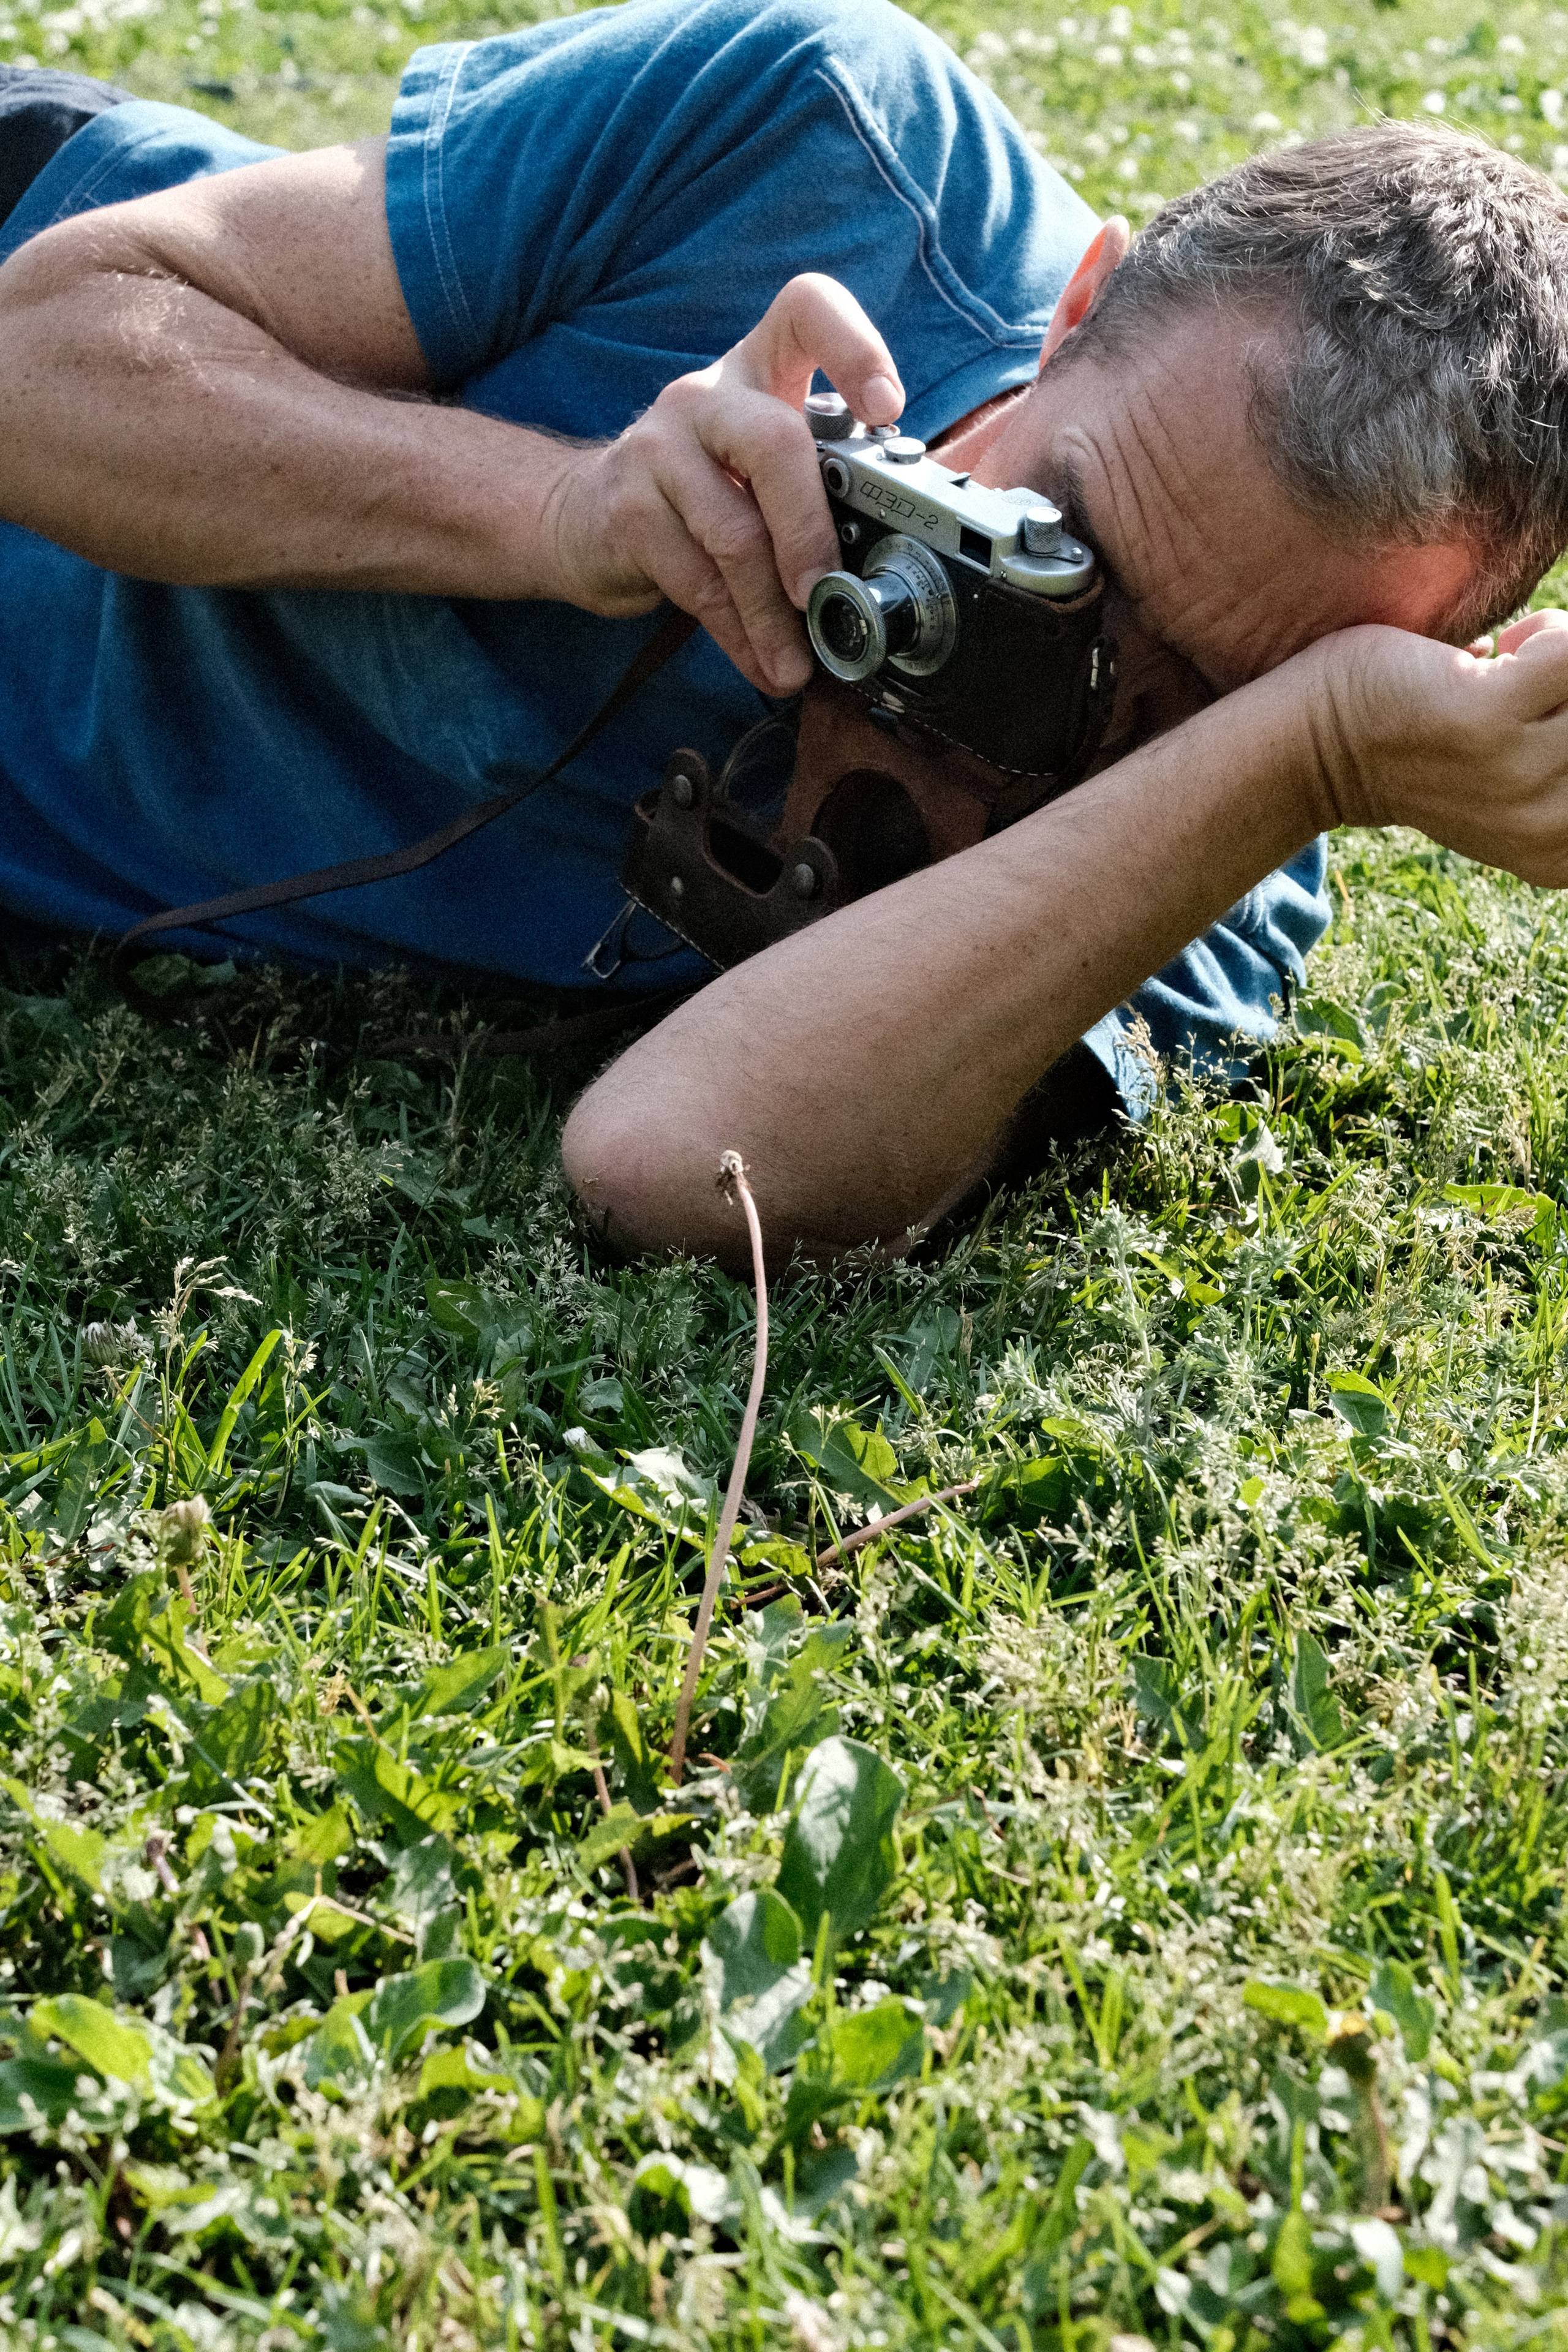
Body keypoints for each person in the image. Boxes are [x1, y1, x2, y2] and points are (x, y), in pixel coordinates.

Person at [2, 4, 1568, 1272]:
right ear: (1075, 305)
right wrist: (560, 515)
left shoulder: (1228, 845)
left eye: (1187, 697)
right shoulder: (828, 137)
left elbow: (673, 1164)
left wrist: (1292, 757)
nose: (1063, 690)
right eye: (1054, 548)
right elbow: (40, 364)